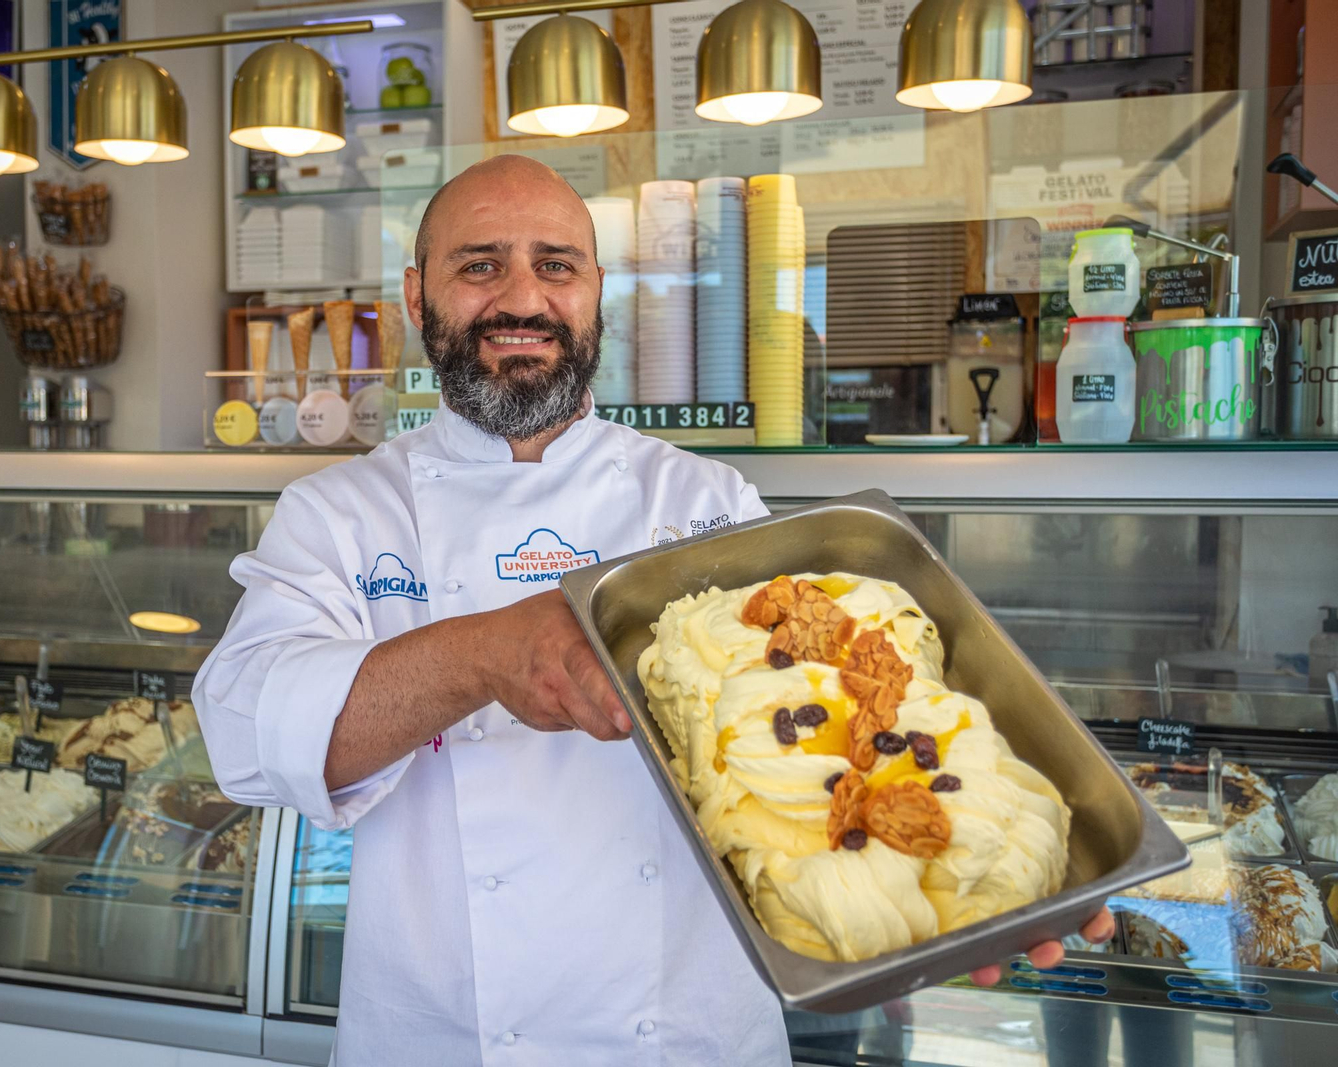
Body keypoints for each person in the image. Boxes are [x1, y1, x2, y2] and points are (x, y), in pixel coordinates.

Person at [193, 154, 1113, 1065]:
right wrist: (482, 655)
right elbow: (241, 729)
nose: (523, 298)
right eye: (480, 265)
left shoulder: (707, 503)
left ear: (597, 292)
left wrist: (966, 866)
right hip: (440, 1040)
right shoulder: (341, 515)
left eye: (556, 265)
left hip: (688, 1038)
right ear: (414, 294)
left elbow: (839, 724)